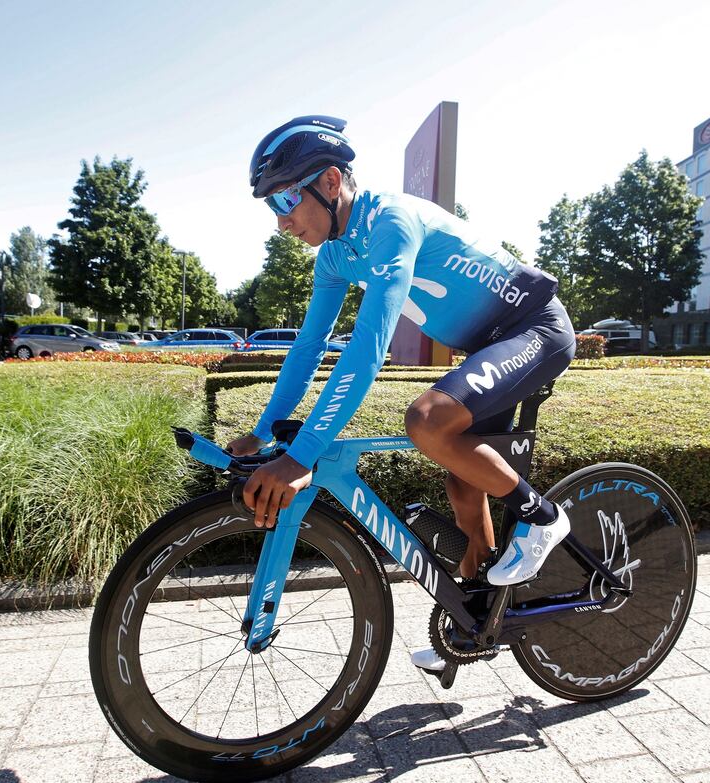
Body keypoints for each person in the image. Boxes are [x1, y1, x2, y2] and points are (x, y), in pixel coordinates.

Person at [227, 116, 578, 671]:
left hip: (534, 328)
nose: (281, 221)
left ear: (332, 182)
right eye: (271, 206)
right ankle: (477, 623)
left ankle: (542, 517)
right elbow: (308, 348)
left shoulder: (392, 220)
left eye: (287, 200)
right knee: (464, 491)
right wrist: (267, 429)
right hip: (489, 343)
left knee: (428, 422)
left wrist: (303, 454)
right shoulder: (336, 256)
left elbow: (367, 348)